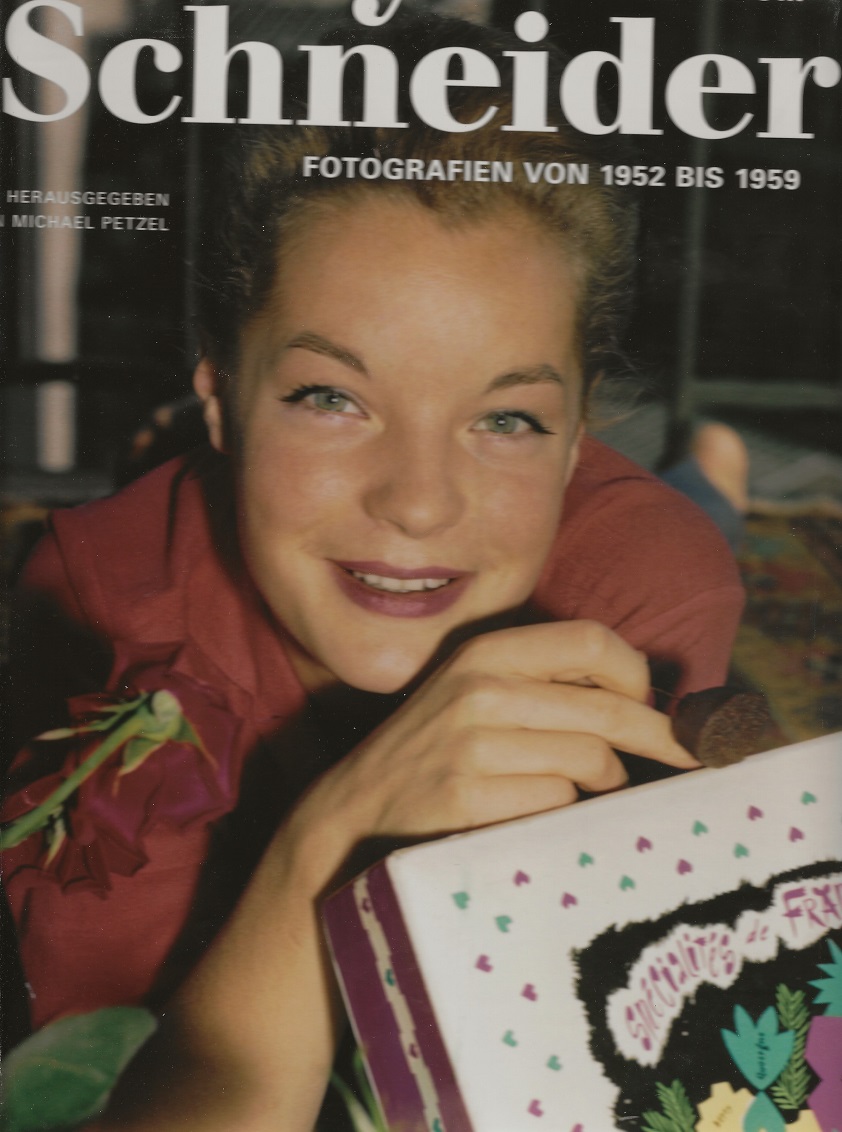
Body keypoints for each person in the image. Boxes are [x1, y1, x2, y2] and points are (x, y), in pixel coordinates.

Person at [1, 13, 745, 1130]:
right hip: (191, 519)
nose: (417, 498)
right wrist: (324, 841)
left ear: (580, 434)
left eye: (507, 416)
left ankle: (709, 475)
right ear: (222, 393)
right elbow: (121, 1085)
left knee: (692, 516)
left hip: (600, 524)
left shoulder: (643, 591)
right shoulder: (94, 604)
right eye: (331, 397)